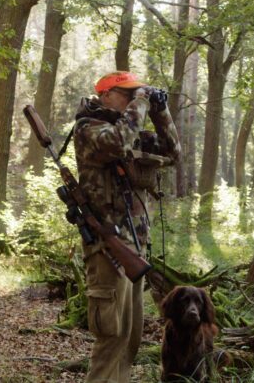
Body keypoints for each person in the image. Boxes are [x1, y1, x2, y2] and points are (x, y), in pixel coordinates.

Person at [73, 71, 180, 383]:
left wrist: (161, 111)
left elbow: (173, 153)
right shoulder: (89, 129)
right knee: (112, 336)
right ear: (106, 95)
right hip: (107, 248)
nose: (134, 100)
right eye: (127, 94)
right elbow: (118, 143)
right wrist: (143, 100)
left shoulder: (129, 129)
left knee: (131, 339)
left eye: (137, 94)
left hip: (135, 247)